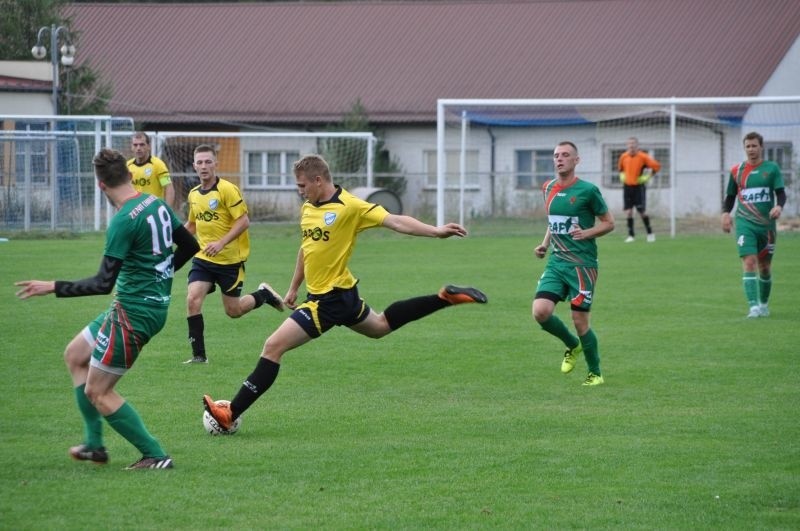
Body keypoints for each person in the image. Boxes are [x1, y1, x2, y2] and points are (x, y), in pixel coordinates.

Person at [202, 154, 487, 430]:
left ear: (317, 180)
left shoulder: (350, 206)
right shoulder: (308, 208)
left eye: (302, 186)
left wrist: (436, 231)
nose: (299, 191)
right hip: (337, 295)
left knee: (273, 347)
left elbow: (396, 221)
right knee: (380, 326)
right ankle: (444, 298)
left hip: (330, 299)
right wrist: (293, 286)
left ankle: (231, 412)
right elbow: (307, 248)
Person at [15, 148, 200, 470]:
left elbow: (103, 283)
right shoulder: (155, 203)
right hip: (138, 306)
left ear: (100, 185)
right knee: (75, 355)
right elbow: (190, 245)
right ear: (130, 175)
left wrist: (53, 286)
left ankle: (155, 454)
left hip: (133, 313)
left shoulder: (123, 222)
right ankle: (94, 445)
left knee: (98, 392)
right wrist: (162, 274)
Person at [183, 144, 284, 364]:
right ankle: (199, 356)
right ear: (194, 166)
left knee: (234, 311)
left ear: (216, 164)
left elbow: (244, 221)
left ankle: (263, 295)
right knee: (192, 299)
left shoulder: (227, 189)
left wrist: (221, 243)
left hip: (230, 261)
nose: (203, 166)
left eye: (208, 161)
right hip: (203, 259)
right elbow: (192, 225)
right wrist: (170, 240)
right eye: (199, 162)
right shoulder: (193, 194)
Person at [533, 141, 615, 386]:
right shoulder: (548, 187)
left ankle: (595, 373)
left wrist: (587, 233)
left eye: (565, 155)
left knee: (580, 322)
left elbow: (609, 223)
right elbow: (554, 221)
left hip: (583, 265)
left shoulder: (588, 191)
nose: (560, 159)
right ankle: (571, 345)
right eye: (556, 155)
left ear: (576, 160)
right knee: (540, 312)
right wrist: (545, 244)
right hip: (556, 263)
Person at [721, 131, 786, 318]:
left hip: (766, 226)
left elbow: (781, 193)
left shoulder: (771, 169)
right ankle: (753, 307)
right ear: (744, 148)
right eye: (748, 146)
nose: (751, 149)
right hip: (744, 223)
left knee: (764, 267)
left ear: (761, 147)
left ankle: (764, 304)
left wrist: (779, 206)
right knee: (749, 261)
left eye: (754, 146)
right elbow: (730, 197)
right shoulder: (736, 171)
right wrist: (725, 213)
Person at [618, 136, 660, 242]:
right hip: (627, 187)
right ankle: (631, 235)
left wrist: (647, 177)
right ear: (627, 145)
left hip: (639, 187)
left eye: (633, 143)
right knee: (628, 212)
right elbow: (620, 169)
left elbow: (656, 166)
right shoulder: (623, 156)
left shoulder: (643, 156)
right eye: (629, 144)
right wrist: (622, 176)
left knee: (642, 212)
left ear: (637, 145)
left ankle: (650, 234)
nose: (631, 145)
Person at [127, 132, 176, 210]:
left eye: (142, 144)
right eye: (135, 145)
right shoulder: (128, 166)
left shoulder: (158, 165)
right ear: (131, 147)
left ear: (148, 146)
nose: (138, 148)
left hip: (154, 212)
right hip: (134, 212)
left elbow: (168, 187)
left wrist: (167, 209)